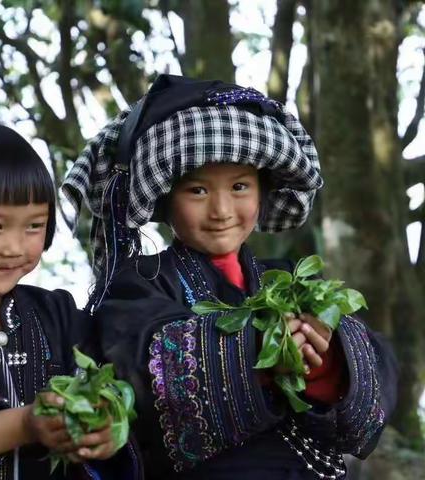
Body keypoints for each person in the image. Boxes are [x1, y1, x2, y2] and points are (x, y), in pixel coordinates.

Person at [63, 74, 398, 480]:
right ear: (165, 199)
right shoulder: (138, 283)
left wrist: (324, 361)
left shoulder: (291, 280)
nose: (221, 210)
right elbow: (141, 371)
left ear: (264, 190)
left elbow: (374, 377)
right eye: (198, 192)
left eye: (240, 186)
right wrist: (261, 354)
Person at [0, 121, 142, 479]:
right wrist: (26, 424)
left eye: (33, 226)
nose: (15, 247)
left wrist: (104, 425)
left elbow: (109, 384)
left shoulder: (58, 314)